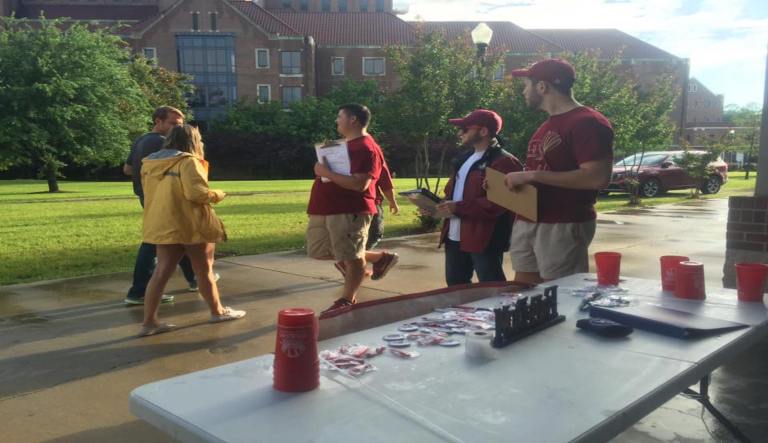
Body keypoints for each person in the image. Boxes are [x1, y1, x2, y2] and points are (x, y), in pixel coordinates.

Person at [504, 58, 614, 283]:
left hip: (563, 223)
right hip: (529, 218)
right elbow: (546, 169)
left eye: (526, 85)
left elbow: (597, 177)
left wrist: (531, 175)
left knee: (560, 296)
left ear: (542, 87)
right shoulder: (547, 125)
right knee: (523, 292)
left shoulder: (588, 122)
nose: (524, 91)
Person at [138, 125, 244, 336]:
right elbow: (197, 194)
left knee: (160, 273)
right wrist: (218, 194)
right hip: (191, 224)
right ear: (194, 140)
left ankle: (149, 322)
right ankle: (218, 311)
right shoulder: (188, 161)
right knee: (204, 270)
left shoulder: (149, 164)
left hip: (163, 223)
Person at [308, 104, 399, 313]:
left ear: (354, 120)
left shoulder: (366, 147)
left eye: (340, 116)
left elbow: (360, 184)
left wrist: (325, 172)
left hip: (348, 210)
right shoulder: (339, 146)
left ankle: (347, 300)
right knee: (319, 251)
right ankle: (378, 258)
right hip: (324, 207)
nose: (336, 120)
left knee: (351, 256)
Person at [123, 107, 219, 306]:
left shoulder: (140, 141)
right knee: (156, 244)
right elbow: (194, 190)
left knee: (176, 240)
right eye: (173, 123)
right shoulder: (165, 146)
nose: (179, 128)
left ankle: (193, 279)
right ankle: (139, 290)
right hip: (170, 201)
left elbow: (128, 168)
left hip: (152, 198)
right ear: (158, 121)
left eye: (180, 123)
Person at [433, 109, 523, 286]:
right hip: (454, 235)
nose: (460, 133)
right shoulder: (464, 158)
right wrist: (435, 206)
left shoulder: (503, 162)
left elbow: (500, 203)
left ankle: (497, 315)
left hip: (483, 237)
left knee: (491, 287)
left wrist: (458, 208)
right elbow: (452, 192)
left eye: (465, 129)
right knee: (455, 287)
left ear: (483, 131)